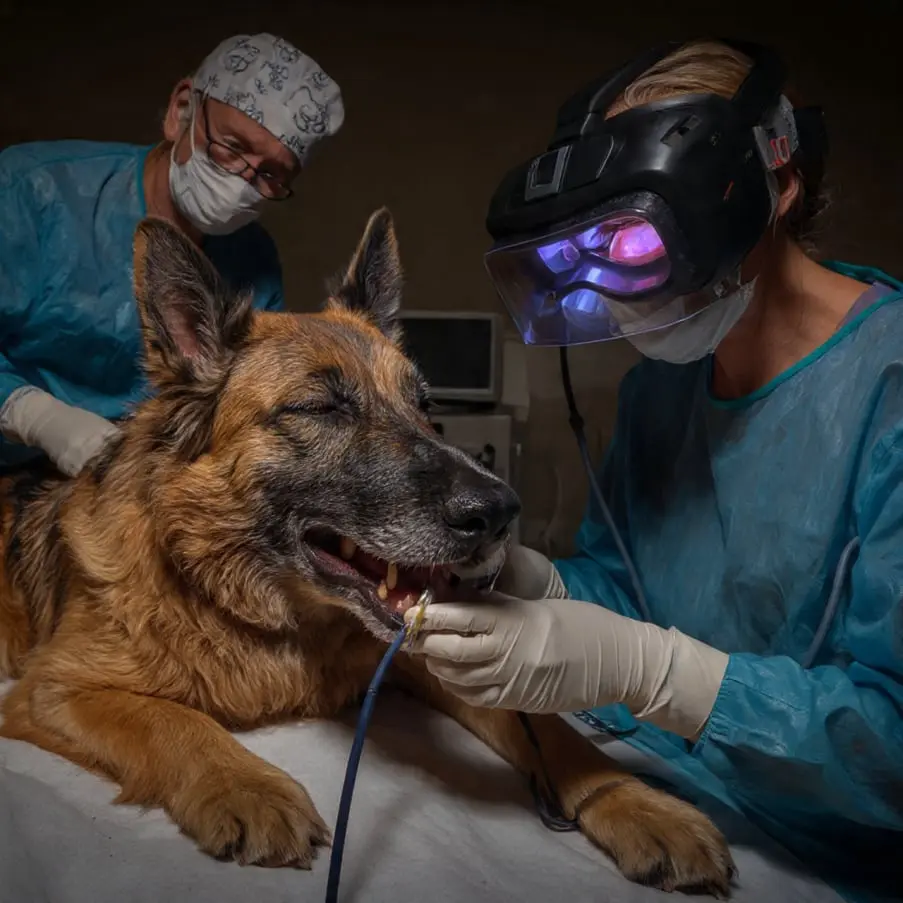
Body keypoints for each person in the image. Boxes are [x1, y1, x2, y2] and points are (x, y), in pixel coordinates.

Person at [410, 40, 902, 902]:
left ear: (772, 188)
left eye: (634, 237)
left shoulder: (885, 391)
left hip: (836, 854)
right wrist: (544, 584)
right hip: (663, 783)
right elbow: (630, 584)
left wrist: (654, 672)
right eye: (581, 252)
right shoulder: (658, 393)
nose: (607, 286)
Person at [0, 33, 344, 476]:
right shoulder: (31, 193)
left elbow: (243, 401)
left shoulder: (254, 263)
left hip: (127, 481)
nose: (242, 181)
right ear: (182, 111)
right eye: (233, 147)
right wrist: (38, 417)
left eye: (271, 174)